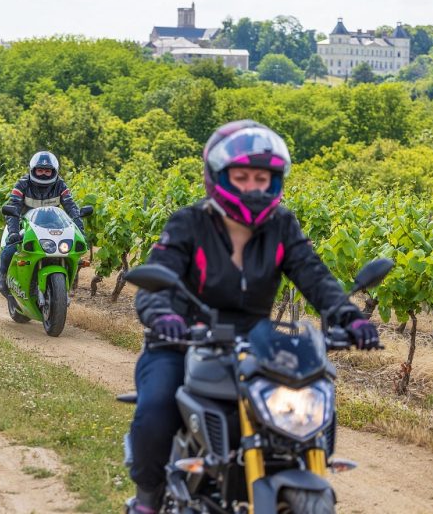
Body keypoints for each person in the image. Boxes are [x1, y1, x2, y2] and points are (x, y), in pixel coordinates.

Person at [126, 120, 380, 514]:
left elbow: (314, 275)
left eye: (261, 178)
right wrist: (163, 316)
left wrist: (350, 317)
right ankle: (147, 499)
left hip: (256, 345)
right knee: (156, 406)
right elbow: (160, 278)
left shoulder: (282, 225)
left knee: (308, 402)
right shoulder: (188, 223)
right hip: (185, 340)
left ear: (275, 181)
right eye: (240, 176)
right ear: (217, 176)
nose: (252, 186)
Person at [0, 150, 84, 293]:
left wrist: (80, 229)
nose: (43, 173)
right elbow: (13, 207)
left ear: (54, 171)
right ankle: (2, 275)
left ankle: (65, 285)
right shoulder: (22, 184)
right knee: (11, 247)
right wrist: (13, 232)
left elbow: (71, 207)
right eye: (40, 170)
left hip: (52, 224)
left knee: (71, 251)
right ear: (33, 170)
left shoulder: (60, 185)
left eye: (47, 171)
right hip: (25, 224)